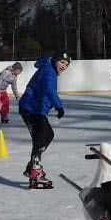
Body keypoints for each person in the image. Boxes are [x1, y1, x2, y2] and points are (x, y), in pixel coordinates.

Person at [18, 51, 71, 188]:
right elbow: (49, 90)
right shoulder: (50, 72)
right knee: (43, 137)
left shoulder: (47, 69)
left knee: (44, 136)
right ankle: (35, 170)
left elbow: (43, 90)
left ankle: (33, 168)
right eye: (62, 62)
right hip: (32, 109)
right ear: (54, 61)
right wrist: (59, 106)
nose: (64, 66)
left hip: (33, 109)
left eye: (66, 64)